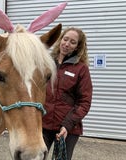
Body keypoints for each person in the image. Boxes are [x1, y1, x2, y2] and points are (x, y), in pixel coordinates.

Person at [42, 27, 93, 160]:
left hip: (67, 128)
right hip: (44, 124)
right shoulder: (46, 63)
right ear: (60, 40)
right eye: (65, 39)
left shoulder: (81, 69)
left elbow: (84, 102)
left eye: (72, 42)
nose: (67, 44)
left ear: (77, 47)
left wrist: (67, 125)